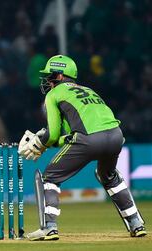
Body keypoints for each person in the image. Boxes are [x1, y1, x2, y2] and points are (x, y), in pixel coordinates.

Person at [18, 55, 147, 241]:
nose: (47, 81)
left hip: (89, 139)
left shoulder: (53, 94)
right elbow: (70, 137)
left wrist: (41, 142)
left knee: (50, 177)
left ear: (60, 76)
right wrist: (47, 142)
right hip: (116, 135)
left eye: (50, 76)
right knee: (108, 176)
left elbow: (53, 134)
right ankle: (136, 223)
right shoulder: (88, 90)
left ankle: (49, 227)